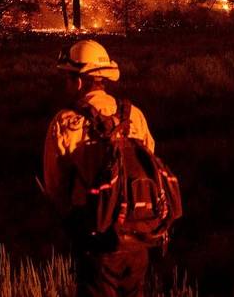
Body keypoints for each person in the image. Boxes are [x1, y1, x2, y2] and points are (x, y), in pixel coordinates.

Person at [43, 39, 156, 297]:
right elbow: (148, 162)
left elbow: (55, 186)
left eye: (68, 78)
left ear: (80, 81)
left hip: (96, 239)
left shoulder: (65, 122)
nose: (66, 84)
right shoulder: (134, 115)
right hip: (138, 239)